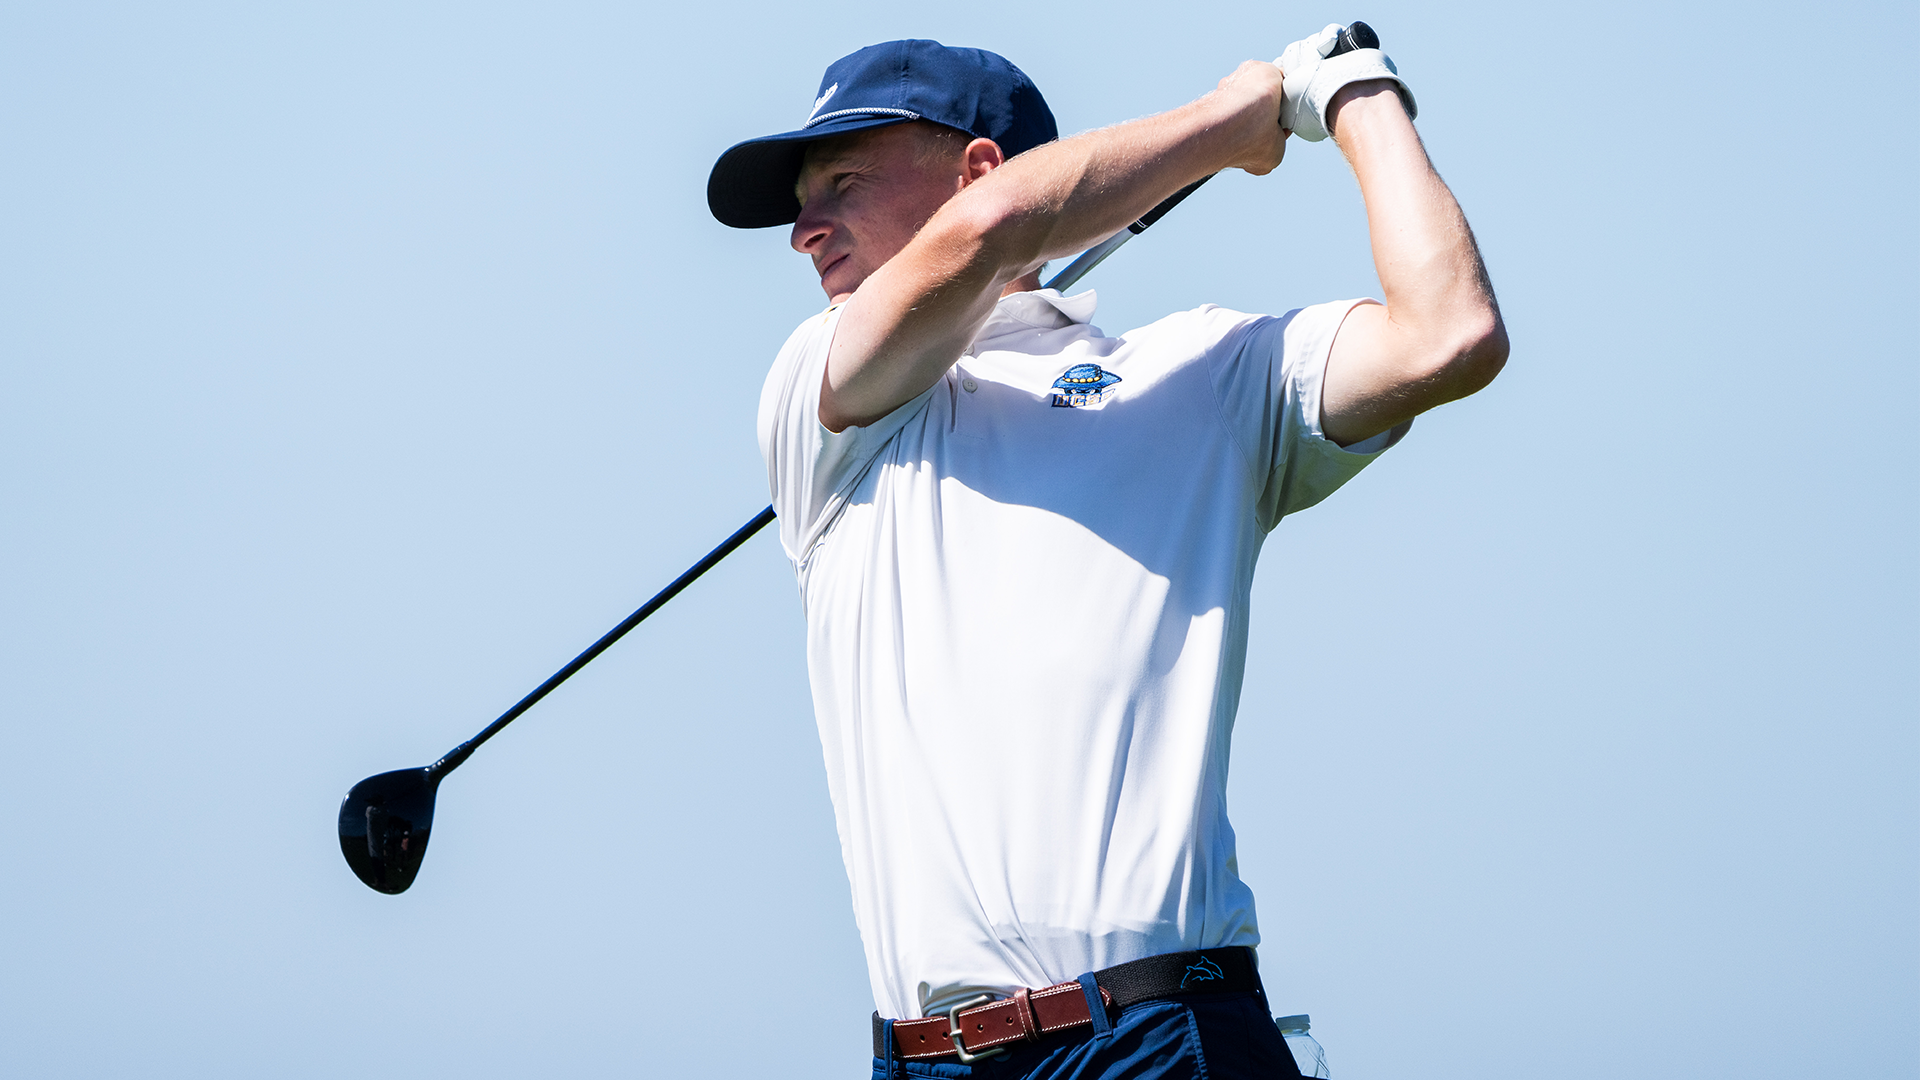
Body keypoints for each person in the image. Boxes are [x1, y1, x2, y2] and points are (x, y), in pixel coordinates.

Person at [707, 28, 1506, 1080]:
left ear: (977, 165)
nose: (804, 232)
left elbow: (1448, 334)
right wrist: (1234, 123)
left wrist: (1357, 93)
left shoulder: (1207, 373)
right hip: (927, 1061)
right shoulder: (824, 402)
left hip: (1165, 1035)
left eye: (841, 182)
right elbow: (990, 233)